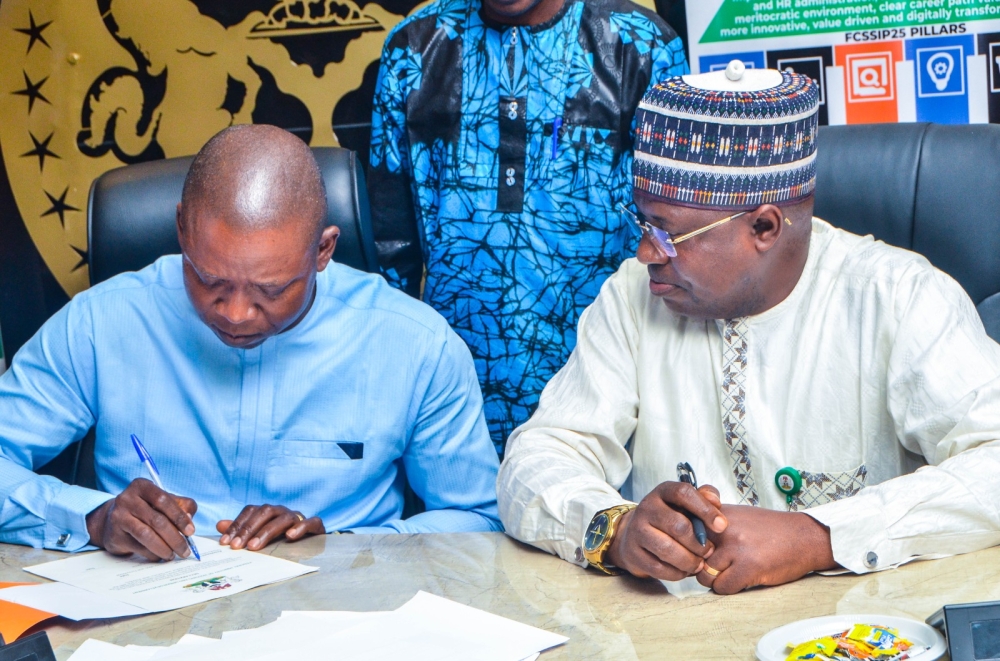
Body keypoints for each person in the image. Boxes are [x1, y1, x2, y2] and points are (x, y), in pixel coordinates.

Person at [497, 63, 1000, 594]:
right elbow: (537, 456)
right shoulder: (631, 296)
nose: (646, 252)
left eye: (668, 234)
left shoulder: (898, 297)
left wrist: (818, 536)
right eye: (643, 225)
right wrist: (615, 528)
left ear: (764, 226)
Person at [0, 125, 502, 560]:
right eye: (209, 279)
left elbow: (478, 520)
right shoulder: (100, 323)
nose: (237, 314)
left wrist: (346, 544)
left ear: (323, 249)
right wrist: (91, 517)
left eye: (272, 289)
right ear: (181, 229)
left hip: (341, 623)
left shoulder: (416, 346)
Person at [367, 0, 689, 454]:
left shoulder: (641, 45)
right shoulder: (415, 45)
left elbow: (676, 231)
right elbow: (391, 246)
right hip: (454, 392)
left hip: (605, 383)